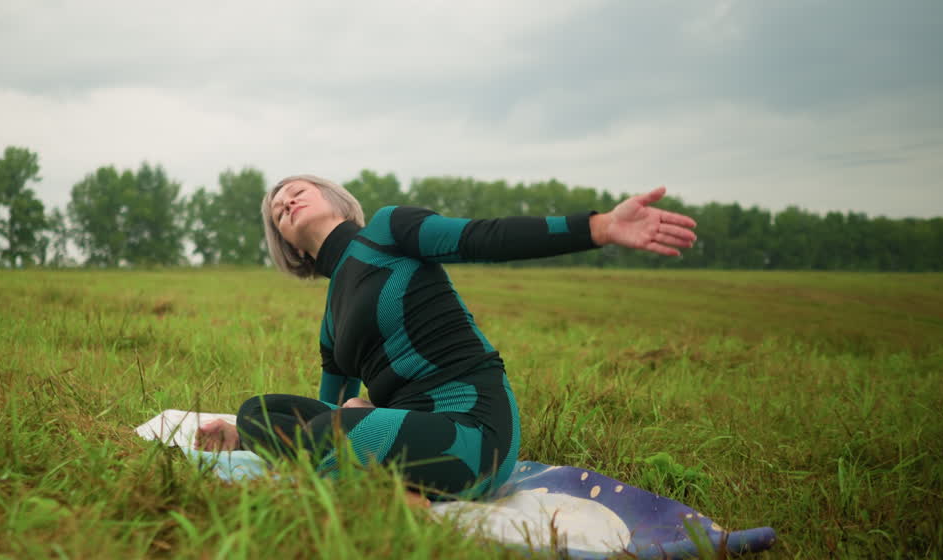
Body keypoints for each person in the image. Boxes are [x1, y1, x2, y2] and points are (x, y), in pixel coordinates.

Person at [196, 175, 696, 506]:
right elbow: (321, 414)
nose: (285, 200)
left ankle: (384, 493)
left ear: (335, 198)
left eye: (296, 189)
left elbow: (485, 236)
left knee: (338, 432)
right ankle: (374, 482)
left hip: (472, 435)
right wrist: (263, 430)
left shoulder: (390, 230)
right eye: (277, 208)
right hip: (404, 428)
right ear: (284, 242)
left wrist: (600, 227)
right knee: (258, 409)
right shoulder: (331, 316)